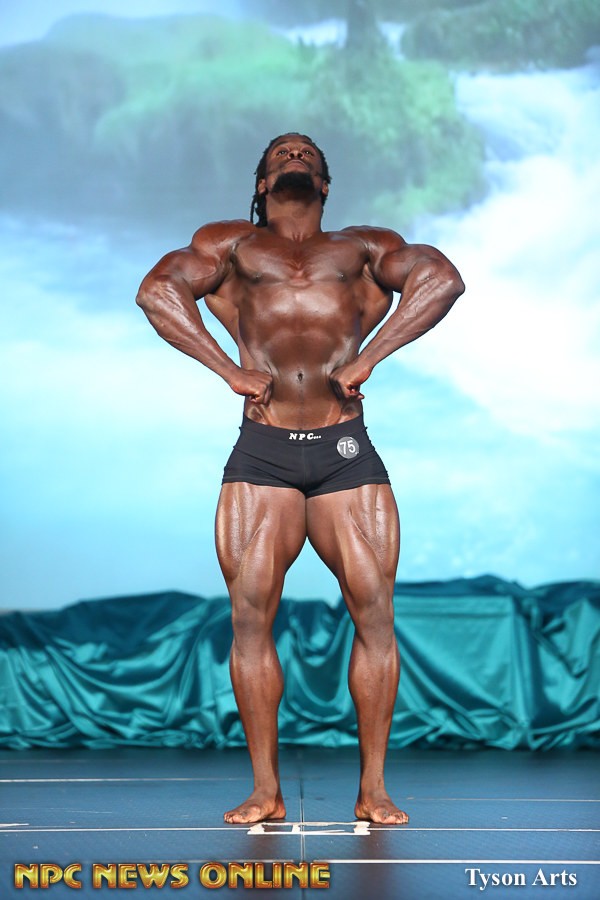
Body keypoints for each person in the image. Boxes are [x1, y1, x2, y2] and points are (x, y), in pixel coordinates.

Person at [136, 133, 464, 826]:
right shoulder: (230, 245)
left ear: (325, 182)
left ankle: (373, 789)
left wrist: (371, 356)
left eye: (306, 151)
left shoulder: (364, 248)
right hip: (263, 449)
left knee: (375, 613)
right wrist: (227, 369)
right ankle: (266, 791)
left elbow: (442, 278)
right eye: (281, 151)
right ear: (260, 182)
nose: (294, 154)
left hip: (345, 449)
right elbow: (157, 291)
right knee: (249, 617)